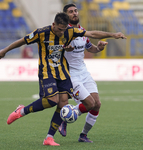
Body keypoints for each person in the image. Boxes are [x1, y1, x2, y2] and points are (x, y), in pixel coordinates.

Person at [0, 12, 126, 146]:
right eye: (59, 29)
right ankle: (22, 111)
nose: (61, 32)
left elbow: (92, 34)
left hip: (63, 72)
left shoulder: (70, 31)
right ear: (53, 25)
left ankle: (49, 138)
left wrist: (113, 35)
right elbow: (22, 41)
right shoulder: (41, 33)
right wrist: (5, 50)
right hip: (47, 71)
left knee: (62, 103)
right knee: (52, 101)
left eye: (64, 29)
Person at [58, 3, 125, 143]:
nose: (75, 13)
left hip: (84, 73)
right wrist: (113, 35)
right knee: (89, 103)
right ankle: (64, 118)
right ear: (66, 16)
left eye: (76, 11)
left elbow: (90, 48)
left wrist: (99, 48)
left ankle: (83, 135)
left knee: (97, 104)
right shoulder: (64, 33)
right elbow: (60, 48)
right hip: (71, 75)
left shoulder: (82, 31)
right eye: (71, 12)